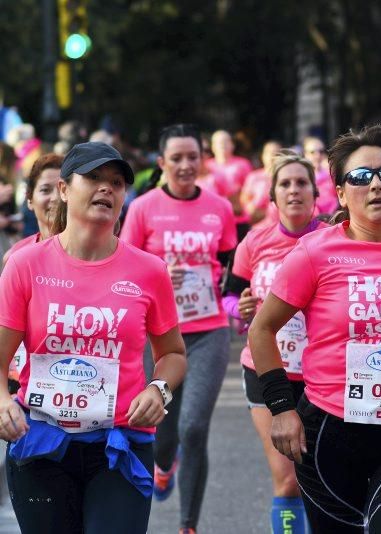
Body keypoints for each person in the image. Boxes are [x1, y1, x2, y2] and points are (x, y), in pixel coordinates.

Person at [248, 124, 381, 533]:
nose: (377, 185)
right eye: (361, 177)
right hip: (331, 430)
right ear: (343, 194)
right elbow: (262, 329)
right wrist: (281, 409)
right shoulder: (314, 253)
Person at [0, 142, 187, 533]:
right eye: (94, 178)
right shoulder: (25, 264)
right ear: (65, 189)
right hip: (42, 444)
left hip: (120, 446)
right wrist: (2, 401)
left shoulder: (149, 271)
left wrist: (158, 390)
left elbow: (172, 354)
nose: (107, 188)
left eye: (116, 182)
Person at [121, 124, 237, 534]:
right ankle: (164, 464)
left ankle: (188, 525)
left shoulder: (219, 208)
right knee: (163, 428)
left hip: (208, 331)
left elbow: (230, 269)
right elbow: (125, 268)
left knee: (194, 426)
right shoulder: (143, 208)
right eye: (177, 158)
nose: (186, 166)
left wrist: (232, 300)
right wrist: (155, 278)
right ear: (161, 163)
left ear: (202, 160)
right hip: (158, 334)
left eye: (193, 157)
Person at [224, 150, 326, 533]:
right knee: (286, 479)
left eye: (302, 183)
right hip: (266, 370)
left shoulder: (333, 239)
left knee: (319, 479)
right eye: (285, 184)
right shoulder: (254, 243)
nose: (294, 190)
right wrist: (240, 308)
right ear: (272, 197)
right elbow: (231, 297)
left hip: (322, 376)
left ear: (316, 194)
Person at [2, 154, 63, 392]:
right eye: (46, 190)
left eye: (62, 188)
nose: (56, 198)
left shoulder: (97, 254)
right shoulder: (16, 258)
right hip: (22, 382)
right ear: (29, 199)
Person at [206, 129, 254, 241]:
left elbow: (250, 190)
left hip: (239, 219)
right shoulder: (206, 166)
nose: (222, 145)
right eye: (218, 142)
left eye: (226, 141)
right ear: (212, 147)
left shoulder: (243, 164)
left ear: (232, 145)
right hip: (214, 220)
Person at [240, 140, 282, 227]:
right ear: (263, 156)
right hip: (258, 226)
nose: (272, 156)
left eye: (276, 153)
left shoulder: (287, 178)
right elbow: (245, 199)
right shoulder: (254, 177)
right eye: (269, 153)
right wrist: (250, 208)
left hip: (280, 226)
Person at [303, 136, 339, 215]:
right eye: (312, 152)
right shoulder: (299, 178)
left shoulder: (332, 175)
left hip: (331, 221)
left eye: (321, 151)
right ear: (305, 154)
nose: (317, 155)